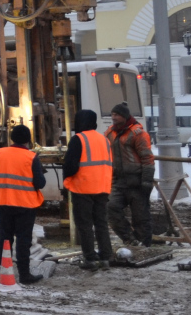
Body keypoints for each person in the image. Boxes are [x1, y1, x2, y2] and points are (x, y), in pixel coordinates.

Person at [0, 124, 46, 285]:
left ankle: (4, 271)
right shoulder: (31, 157)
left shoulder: (0, 153)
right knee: (23, 240)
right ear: (28, 140)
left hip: (4, 202)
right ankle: (24, 275)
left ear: (12, 138)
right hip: (25, 205)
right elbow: (40, 183)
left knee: (5, 238)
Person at [63, 109, 113, 270]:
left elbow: (70, 165)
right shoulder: (104, 140)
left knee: (85, 225)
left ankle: (90, 259)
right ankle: (105, 257)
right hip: (102, 187)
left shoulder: (78, 139)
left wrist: (67, 182)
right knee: (101, 223)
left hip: (83, 187)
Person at [106, 101, 155, 246]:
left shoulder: (138, 133)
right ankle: (130, 239)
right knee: (110, 208)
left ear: (125, 116)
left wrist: (146, 181)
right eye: (112, 114)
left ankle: (144, 245)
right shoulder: (110, 132)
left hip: (137, 182)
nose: (113, 117)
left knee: (141, 217)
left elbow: (147, 158)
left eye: (117, 115)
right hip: (118, 181)